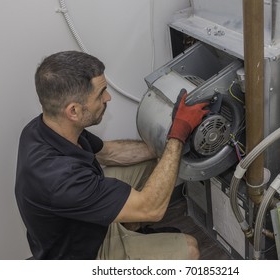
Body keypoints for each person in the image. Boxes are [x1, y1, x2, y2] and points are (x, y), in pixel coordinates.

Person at [15, 50, 209, 260]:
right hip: (85, 255)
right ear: (74, 111)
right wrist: (178, 134)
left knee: (156, 163)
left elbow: (110, 153)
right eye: (101, 94)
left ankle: (132, 231)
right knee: (190, 249)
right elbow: (153, 209)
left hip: (87, 222)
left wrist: (166, 141)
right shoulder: (60, 179)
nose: (108, 97)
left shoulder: (43, 129)